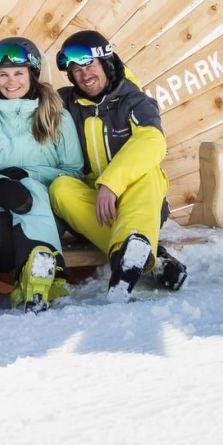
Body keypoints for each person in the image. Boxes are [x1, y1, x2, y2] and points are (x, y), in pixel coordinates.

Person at [49, 30, 187, 295]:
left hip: (141, 201)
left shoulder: (134, 101)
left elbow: (152, 140)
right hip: (98, 209)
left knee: (149, 173)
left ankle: (128, 256)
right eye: (76, 70)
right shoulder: (67, 102)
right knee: (60, 188)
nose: (84, 75)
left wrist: (111, 184)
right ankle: (149, 258)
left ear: (106, 62)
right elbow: (22, 105)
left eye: (89, 65)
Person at [0, 37, 86, 310]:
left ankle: (42, 270)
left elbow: (73, 173)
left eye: (18, 73)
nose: (11, 81)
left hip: (43, 208)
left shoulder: (56, 114)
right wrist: (0, 185)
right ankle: (3, 242)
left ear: (32, 74)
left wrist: (26, 176)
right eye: (3, 74)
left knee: (31, 187)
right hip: (1, 200)